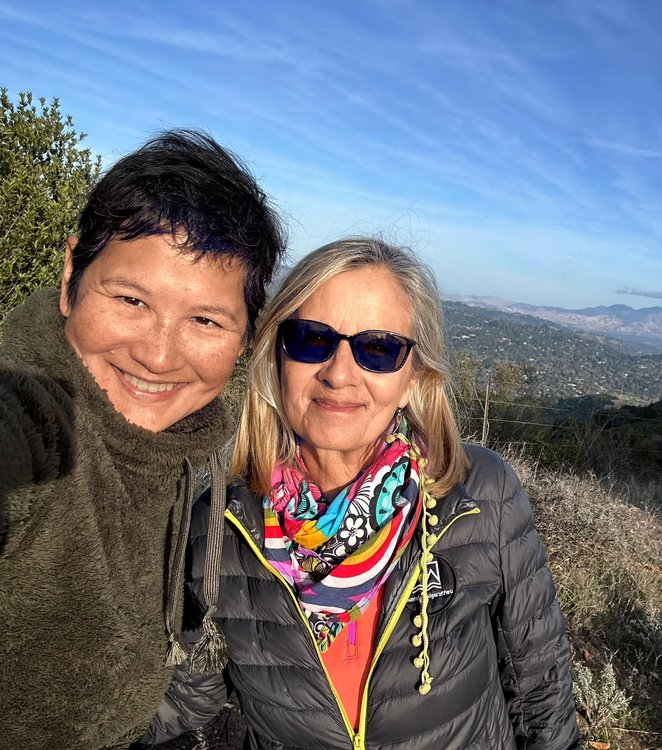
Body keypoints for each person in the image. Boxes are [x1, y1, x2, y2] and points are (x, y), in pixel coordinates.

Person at [145, 238, 580, 749]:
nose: (339, 373)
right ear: (276, 358)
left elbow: (540, 687)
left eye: (378, 349)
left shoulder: (480, 493)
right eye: (311, 339)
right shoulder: (220, 526)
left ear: (413, 378)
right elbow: (186, 704)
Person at [0, 129, 284, 749]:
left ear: (244, 337)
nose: (157, 356)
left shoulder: (186, 443)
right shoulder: (30, 420)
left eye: (205, 320)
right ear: (72, 272)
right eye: (131, 299)